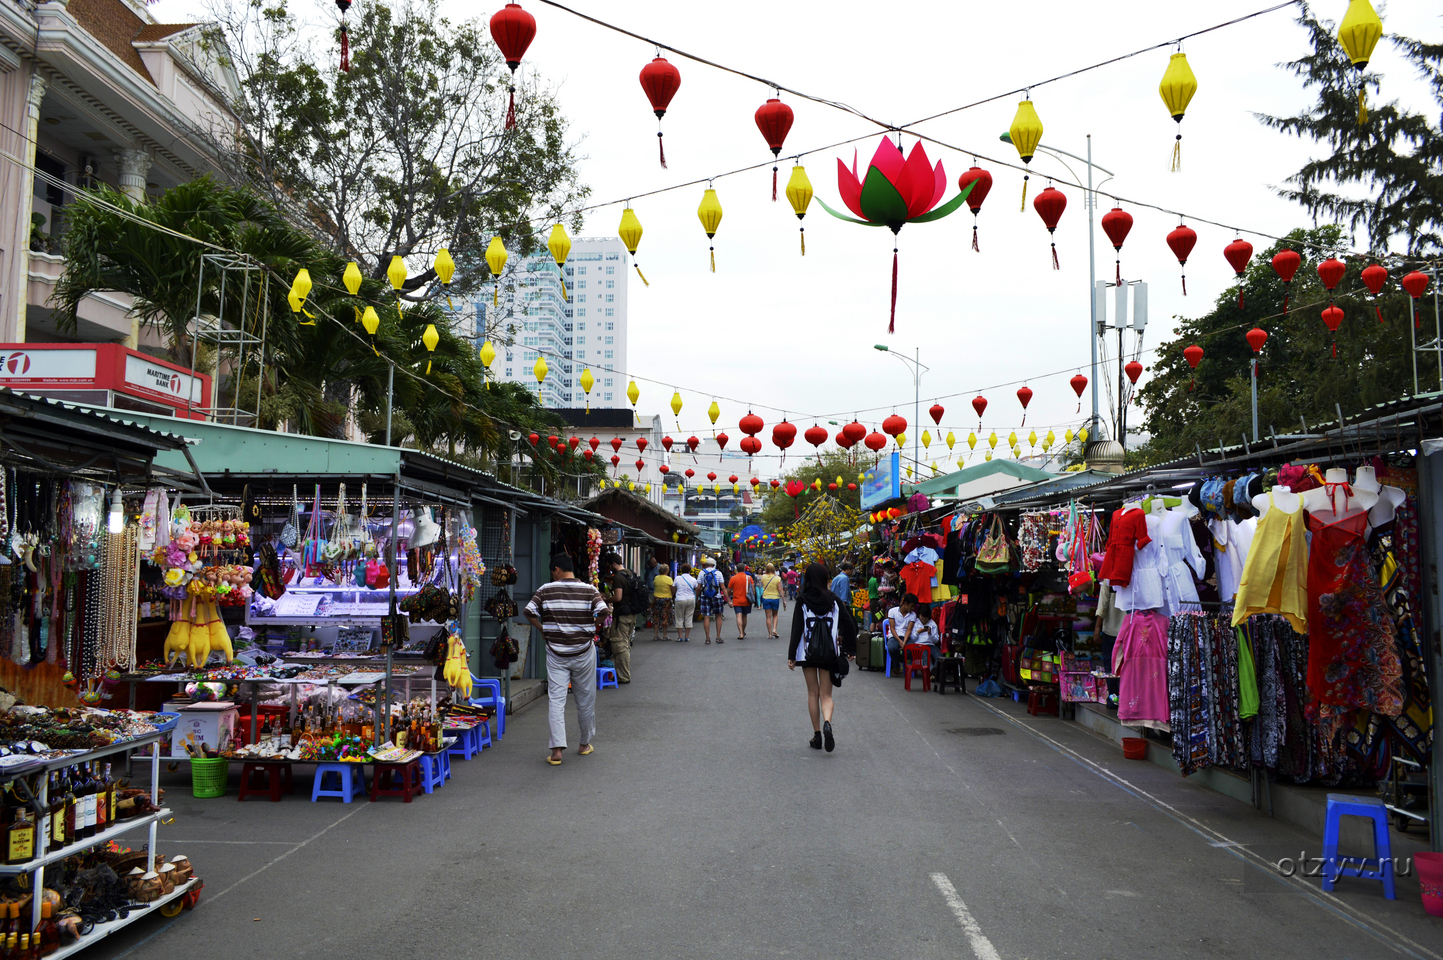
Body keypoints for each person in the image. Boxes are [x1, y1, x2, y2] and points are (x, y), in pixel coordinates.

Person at [524, 554, 609, 766]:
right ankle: (583, 744)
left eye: (553, 572)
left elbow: (529, 611)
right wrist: (591, 627)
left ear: (557, 570)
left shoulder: (545, 589)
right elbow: (604, 611)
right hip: (583, 652)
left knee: (556, 700)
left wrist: (543, 629)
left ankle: (557, 751)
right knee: (586, 699)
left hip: (556, 653)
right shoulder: (590, 590)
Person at [787, 562, 858, 752]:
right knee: (826, 695)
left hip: (807, 652)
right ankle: (828, 722)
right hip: (829, 652)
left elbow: (796, 629)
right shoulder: (833, 599)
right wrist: (851, 649)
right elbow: (849, 624)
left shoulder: (802, 600)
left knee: (813, 693)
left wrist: (792, 655)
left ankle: (817, 735)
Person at [603, 554, 640, 683]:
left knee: (620, 644)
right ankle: (624, 673)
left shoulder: (618, 577)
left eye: (608, 565)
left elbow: (618, 597)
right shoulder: (630, 573)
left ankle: (623, 676)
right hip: (632, 614)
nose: (608, 568)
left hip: (622, 615)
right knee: (626, 643)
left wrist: (606, 599)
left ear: (613, 564)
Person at [696, 557, 727, 644]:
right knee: (718, 616)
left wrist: (697, 597)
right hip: (717, 596)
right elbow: (723, 587)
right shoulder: (718, 573)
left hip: (705, 596)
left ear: (706, 564)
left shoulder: (702, 573)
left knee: (706, 616)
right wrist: (728, 600)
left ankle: (707, 638)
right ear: (714, 565)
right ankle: (718, 637)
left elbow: (698, 587)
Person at [884, 593, 919, 669]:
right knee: (892, 648)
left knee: (912, 649)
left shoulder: (913, 615)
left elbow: (909, 630)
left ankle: (901, 660)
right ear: (906, 604)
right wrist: (900, 641)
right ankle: (896, 665)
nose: (913, 608)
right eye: (912, 606)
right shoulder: (892, 611)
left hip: (906, 637)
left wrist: (905, 641)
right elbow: (892, 628)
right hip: (894, 636)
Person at [756, 563, 786, 638]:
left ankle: (769, 634)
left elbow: (762, 584)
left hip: (766, 598)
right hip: (775, 598)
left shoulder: (763, 577)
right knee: (775, 615)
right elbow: (780, 589)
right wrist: (784, 600)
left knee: (768, 617)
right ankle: (774, 629)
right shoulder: (777, 578)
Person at [672, 563, 698, 642]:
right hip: (691, 599)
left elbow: (673, 588)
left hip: (680, 599)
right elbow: (697, 588)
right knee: (689, 617)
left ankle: (680, 636)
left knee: (679, 618)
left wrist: (673, 596)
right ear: (690, 571)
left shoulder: (677, 578)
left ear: (681, 570)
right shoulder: (693, 579)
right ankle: (687, 636)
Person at [729, 564, 755, 640]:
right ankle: (743, 631)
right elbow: (753, 589)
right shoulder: (749, 578)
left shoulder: (733, 578)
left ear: (737, 569)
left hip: (736, 600)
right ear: (744, 569)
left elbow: (729, 589)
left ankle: (740, 633)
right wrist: (753, 597)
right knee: (744, 616)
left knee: (738, 616)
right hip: (747, 600)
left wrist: (728, 599)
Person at [650, 564, 674, 641]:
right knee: (665, 617)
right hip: (666, 599)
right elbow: (672, 589)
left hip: (656, 599)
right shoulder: (669, 579)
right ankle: (665, 635)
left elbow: (654, 585)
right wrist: (672, 595)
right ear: (667, 571)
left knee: (656, 616)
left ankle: (656, 635)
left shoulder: (656, 578)